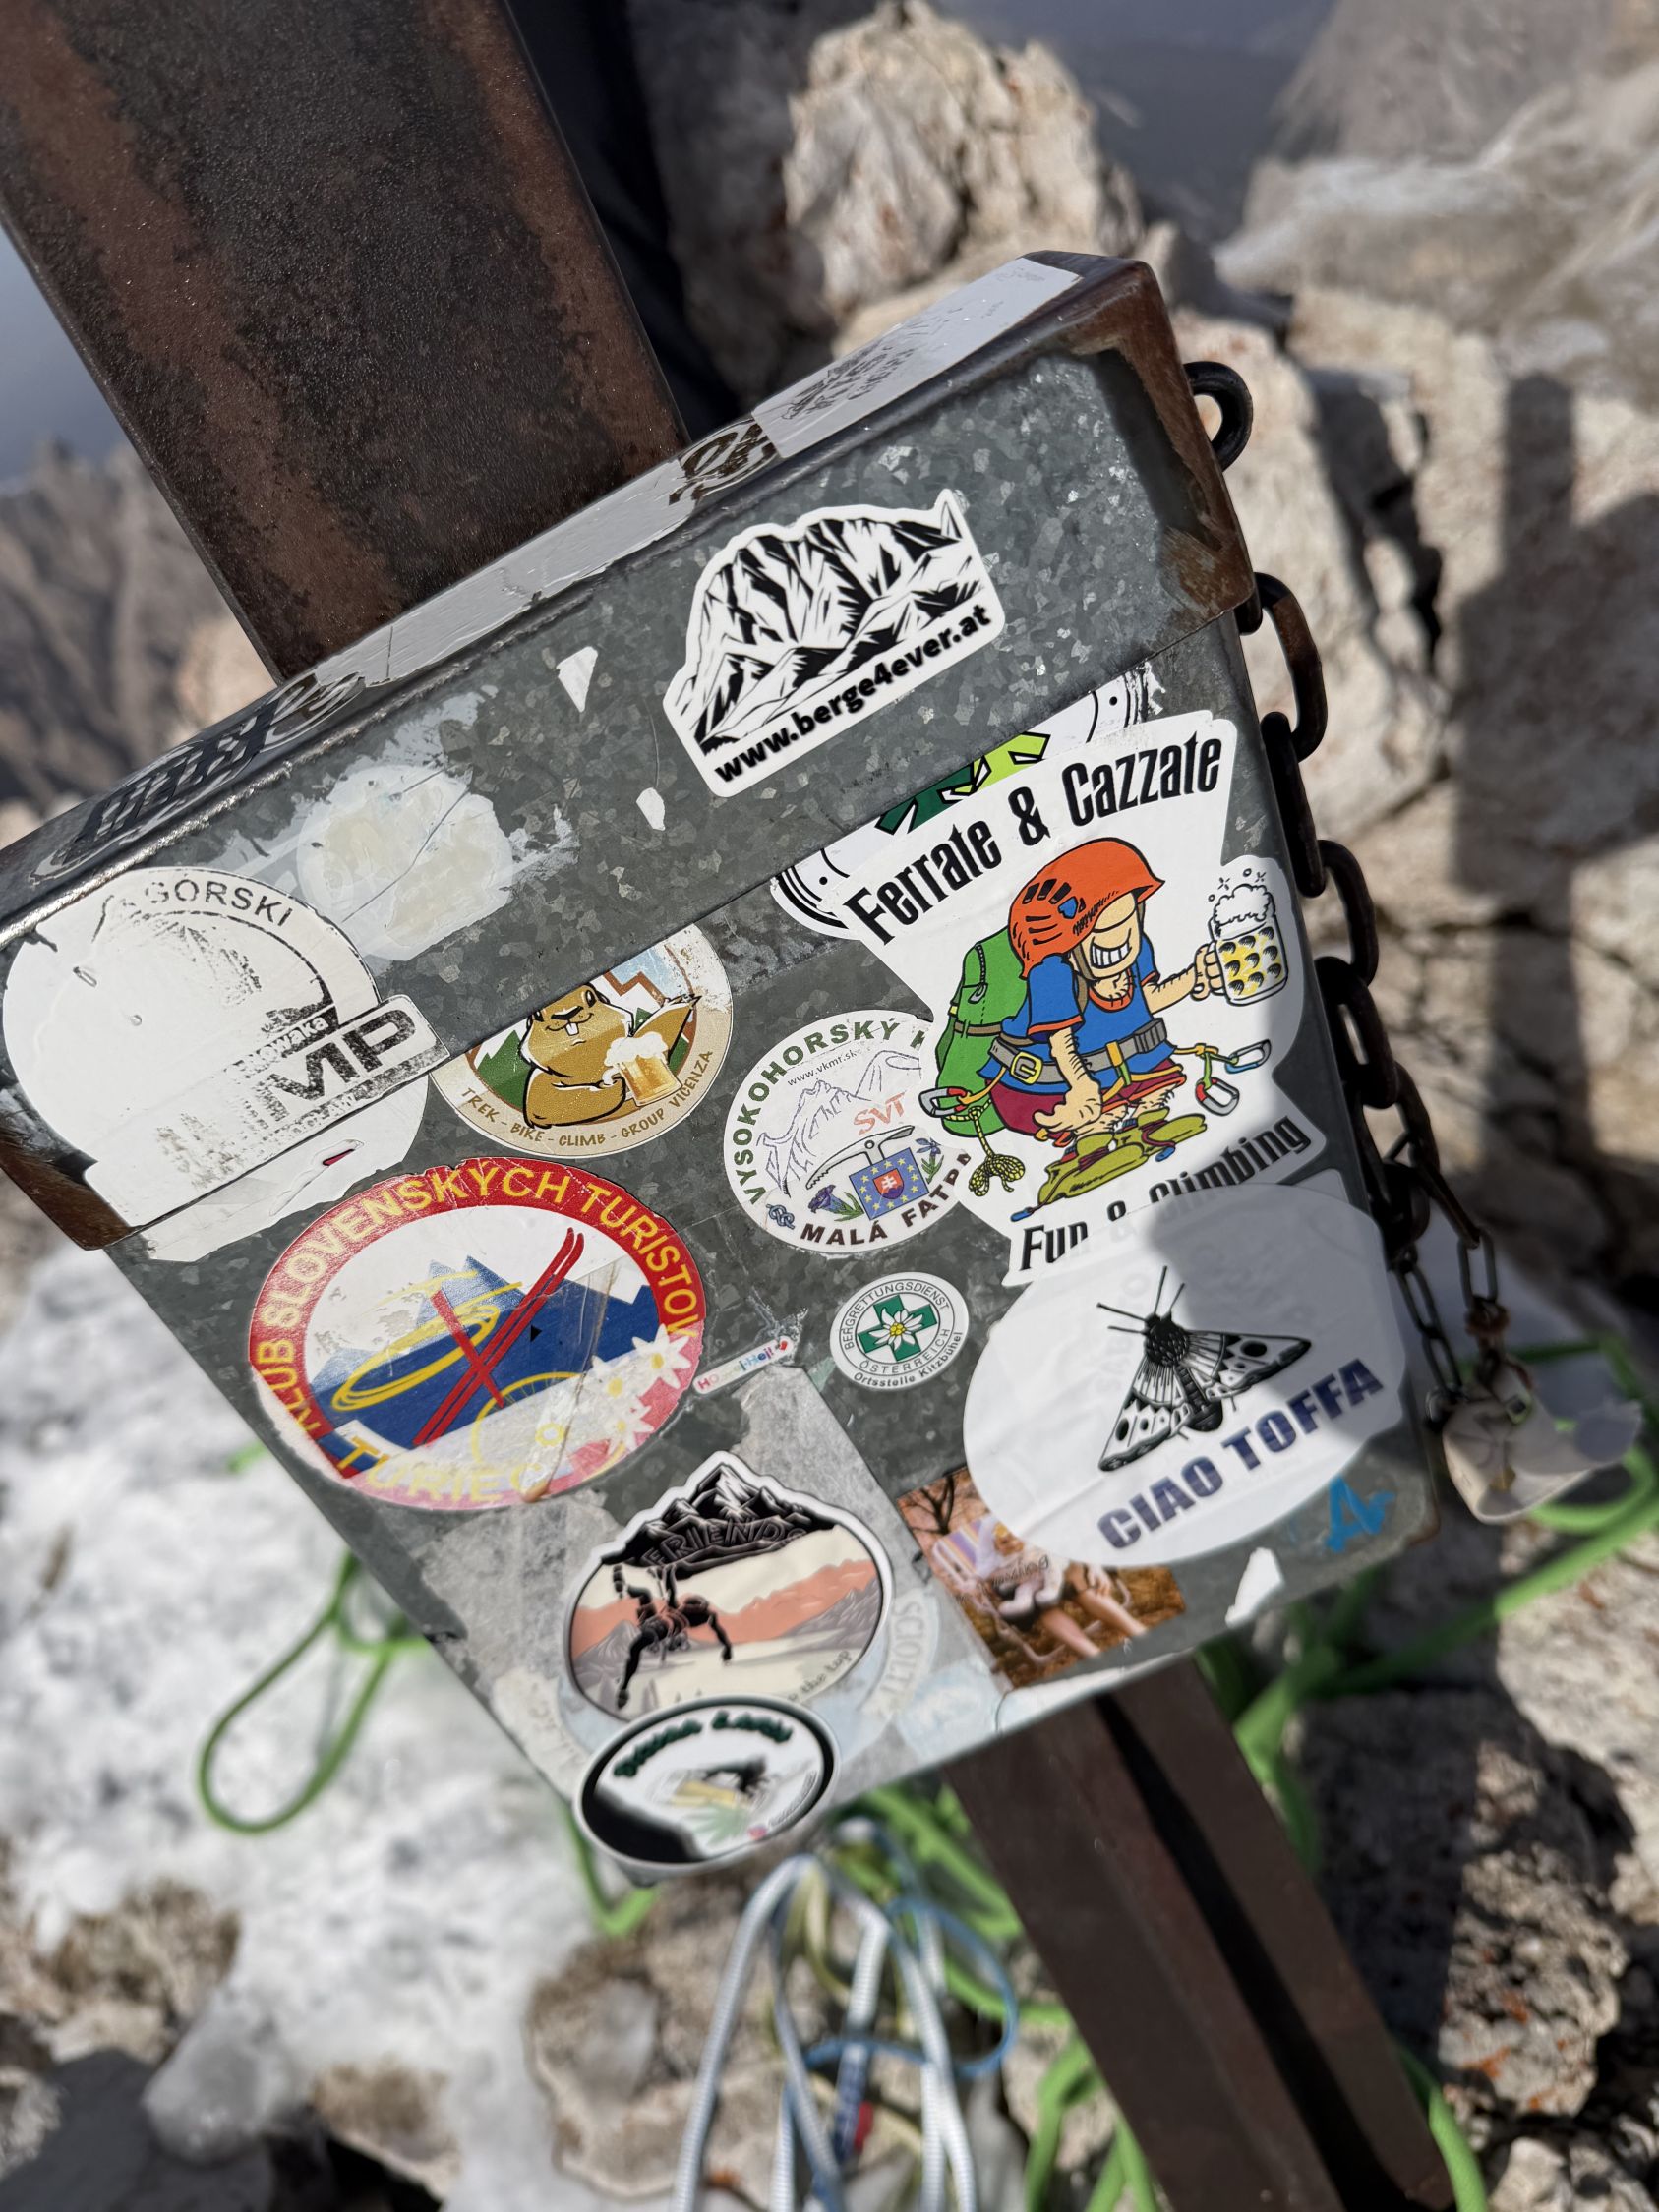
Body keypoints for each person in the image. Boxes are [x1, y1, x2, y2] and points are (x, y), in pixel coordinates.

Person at [984, 838, 1221, 1148]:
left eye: (1126, 922)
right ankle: (1090, 1150)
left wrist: (1194, 976)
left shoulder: (1138, 948)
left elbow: (1146, 1000)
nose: (1119, 940)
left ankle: (1148, 1126)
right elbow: (1062, 1046)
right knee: (1101, 1116)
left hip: (1122, 1065)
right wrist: (1082, 1088)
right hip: (1044, 1083)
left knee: (1154, 1094)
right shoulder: (1053, 973)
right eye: (1101, 933)